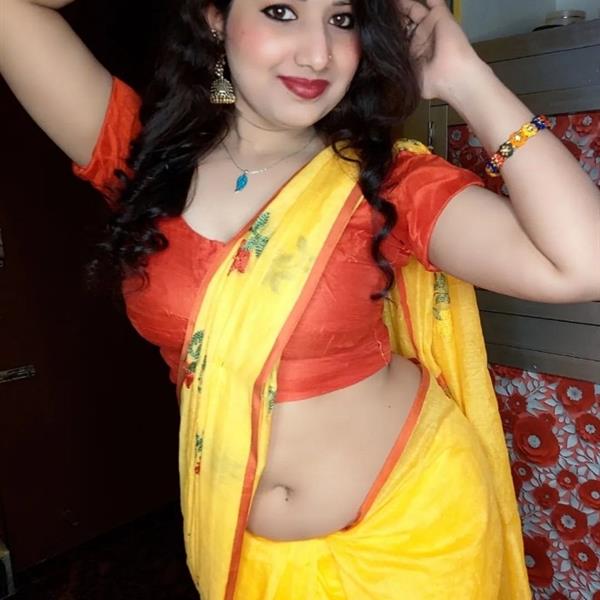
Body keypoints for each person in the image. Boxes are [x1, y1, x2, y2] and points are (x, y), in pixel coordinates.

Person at [2, 0, 599, 598]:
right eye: (281, 11)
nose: (318, 54)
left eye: (342, 19)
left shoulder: (385, 183)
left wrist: (465, 78)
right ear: (215, 18)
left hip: (416, 533)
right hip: (242, 550)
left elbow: (582, 267)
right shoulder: (145, 160)